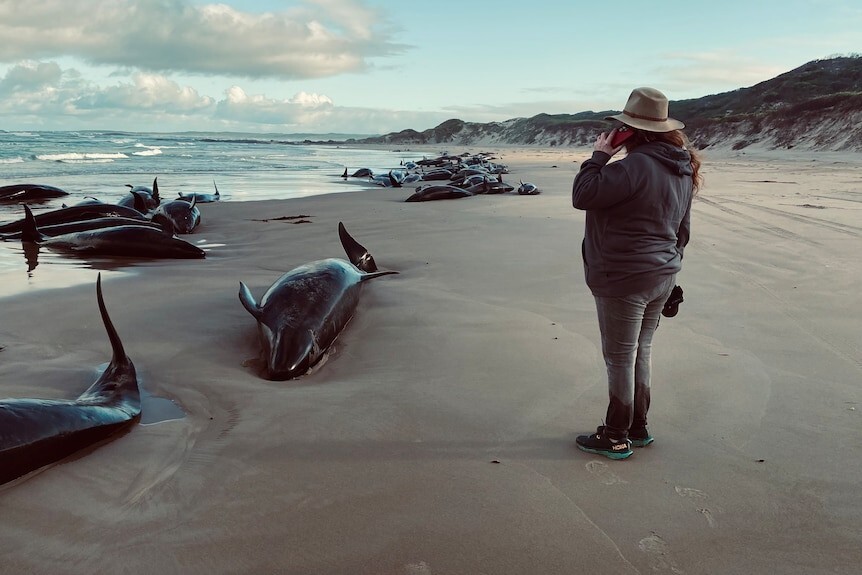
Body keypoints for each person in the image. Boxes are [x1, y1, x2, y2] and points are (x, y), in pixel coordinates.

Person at [571, 87, 702, 460]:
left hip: (624, 277)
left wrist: (599, 156)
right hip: (662, 274)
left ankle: (615, 434)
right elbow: (684, 230)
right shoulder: (682, 167)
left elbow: (584, 194)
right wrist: (669, 268)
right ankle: (638, 426)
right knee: (640, 350)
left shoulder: (633, 166)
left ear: (631, 131)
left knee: (619, 357)